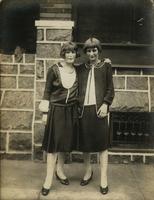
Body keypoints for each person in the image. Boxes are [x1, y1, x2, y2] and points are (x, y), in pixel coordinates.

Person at [39, 42, 78, 196]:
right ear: (63, 54)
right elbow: (47, 91)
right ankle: (48, 179)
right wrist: (45, 112)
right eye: (67, 52)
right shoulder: (54, 70)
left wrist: (106, 62)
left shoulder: (78, 70)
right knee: (54, 146)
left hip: (71, 111)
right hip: (56, 111)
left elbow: (93, 67)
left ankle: (60, 171)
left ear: (76, 54)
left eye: (73, 52)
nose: (70, 55)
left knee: (65, 143)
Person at [77, 37, 114, 194]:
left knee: (102, 145)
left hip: (100, 110)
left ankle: (103, 178)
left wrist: (106, 104)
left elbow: (110, 89)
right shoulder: (81, 68)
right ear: (86, 52)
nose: (92, 53)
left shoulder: (105, 66)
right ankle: (88, 171)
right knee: (86, 144)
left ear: (99, 51)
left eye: (94, 50)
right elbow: (68, 65)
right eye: (89, 50)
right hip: (84, 110)